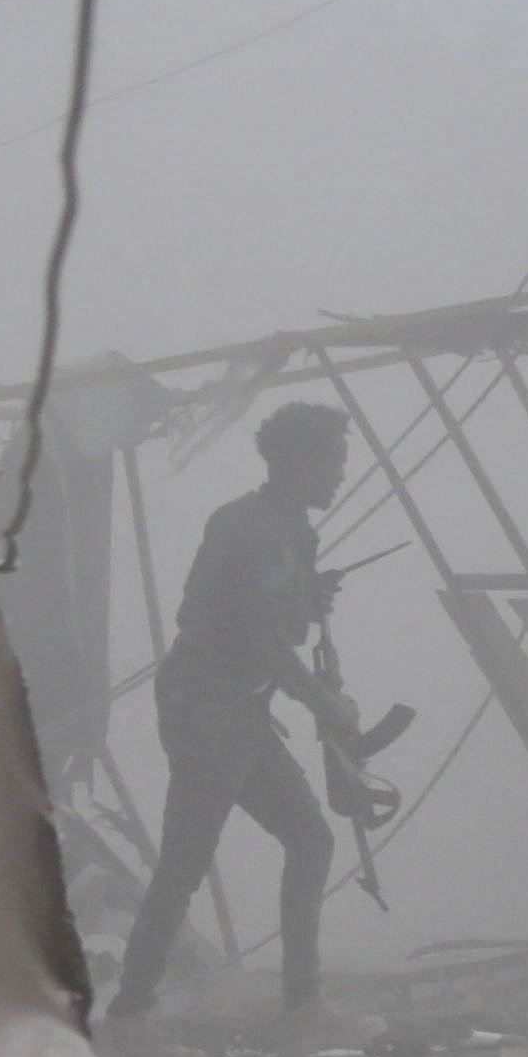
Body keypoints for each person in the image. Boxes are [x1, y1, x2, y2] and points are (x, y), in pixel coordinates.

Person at [112, 402, 378, 1020]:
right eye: (332, 460)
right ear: (298, 461)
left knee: (309, 839)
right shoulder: (259, 531)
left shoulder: (282, 527)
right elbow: (259, 637)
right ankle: (128, 1013)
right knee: (185, 861)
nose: (340, 473)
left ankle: (300, 1001)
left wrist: (305, 596)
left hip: (238, 710)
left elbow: (255, 611)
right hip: (210, 712)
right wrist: (327, 704)